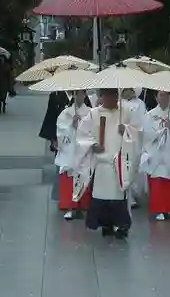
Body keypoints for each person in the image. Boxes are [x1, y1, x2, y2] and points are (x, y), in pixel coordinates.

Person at [73, 88, 141, 240]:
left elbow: (138, 132)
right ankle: (106, 224)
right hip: (102, 163)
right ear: (102, 96)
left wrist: (127, 131)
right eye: (107, 95)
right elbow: (83, 135)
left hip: (120, 163)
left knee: (119, 196)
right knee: (102, 197)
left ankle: (122, 225)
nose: (111, 98)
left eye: (113, 95)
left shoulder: (126, 112)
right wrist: (92, 145)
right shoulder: (94, 114)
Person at [140, 91, 170, 221]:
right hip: (156, 153)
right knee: (157, 181)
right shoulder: (150, 115)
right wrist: (159, 132)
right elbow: (146, 134)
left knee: (169, 181)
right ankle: (159, 209)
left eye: (167, 95)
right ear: (156, 97)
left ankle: (168, 208)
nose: (164, 98)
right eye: (161, 95)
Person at [55, 90, 92, 220]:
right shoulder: (65, 113)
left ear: (85, 95)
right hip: (70, 150)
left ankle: (83, 206)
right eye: (76, 94)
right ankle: (70, 207)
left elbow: (93, 131)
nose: (79, 96)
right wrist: (71, 126)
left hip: (84, 150)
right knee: (69, 179)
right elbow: (60, 132)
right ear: (73, 95)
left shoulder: (90, 113)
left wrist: (81, 127)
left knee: (83, 177)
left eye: (81, 93)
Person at [121, 88, 146, 208]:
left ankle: (131, 196)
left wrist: (126, 128)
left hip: (134, 142)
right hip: (119, 141)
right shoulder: (118, 102)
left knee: (132, 168)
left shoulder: (140, 104)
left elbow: (141, 125)